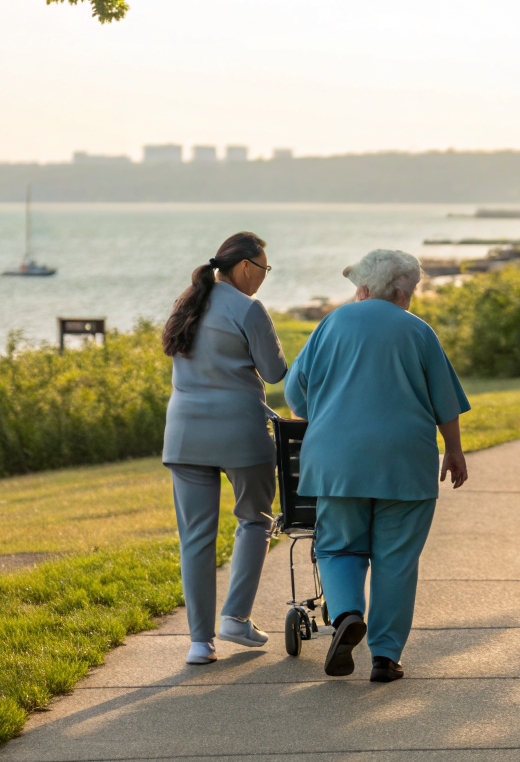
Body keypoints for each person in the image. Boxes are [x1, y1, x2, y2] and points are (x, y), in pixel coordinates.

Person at [284, 248, 470, 683]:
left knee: (338, 547)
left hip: (337, 462)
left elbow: (296, 394)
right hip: (405, 463)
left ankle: (348, 613)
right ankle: (385, 657)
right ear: (403, 291)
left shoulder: (331, 323)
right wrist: (454, 451)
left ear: (365, 288)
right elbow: (445, 401)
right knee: (397, 560)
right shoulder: (418, 331)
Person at [161, 231, 286, 666]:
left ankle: (200, 643)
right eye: (264, 269)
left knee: (195, 538)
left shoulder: (187, 302)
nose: (264, 278)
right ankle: (235, 617)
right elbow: (274, 373)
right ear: (246, 266)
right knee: (255, 519)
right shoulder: (249, 309)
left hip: (184, 436)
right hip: (240, 433)